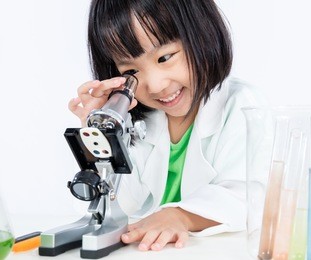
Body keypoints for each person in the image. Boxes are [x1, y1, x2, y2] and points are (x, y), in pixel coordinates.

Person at [68, 0, 266, 252]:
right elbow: (120, 205)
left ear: (202, 33)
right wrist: (99, 132)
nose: (155, 84)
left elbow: (250, 196)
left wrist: (180, 216)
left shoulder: (242, 106)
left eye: (165, 57)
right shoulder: (139, 121)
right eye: (131, 71)